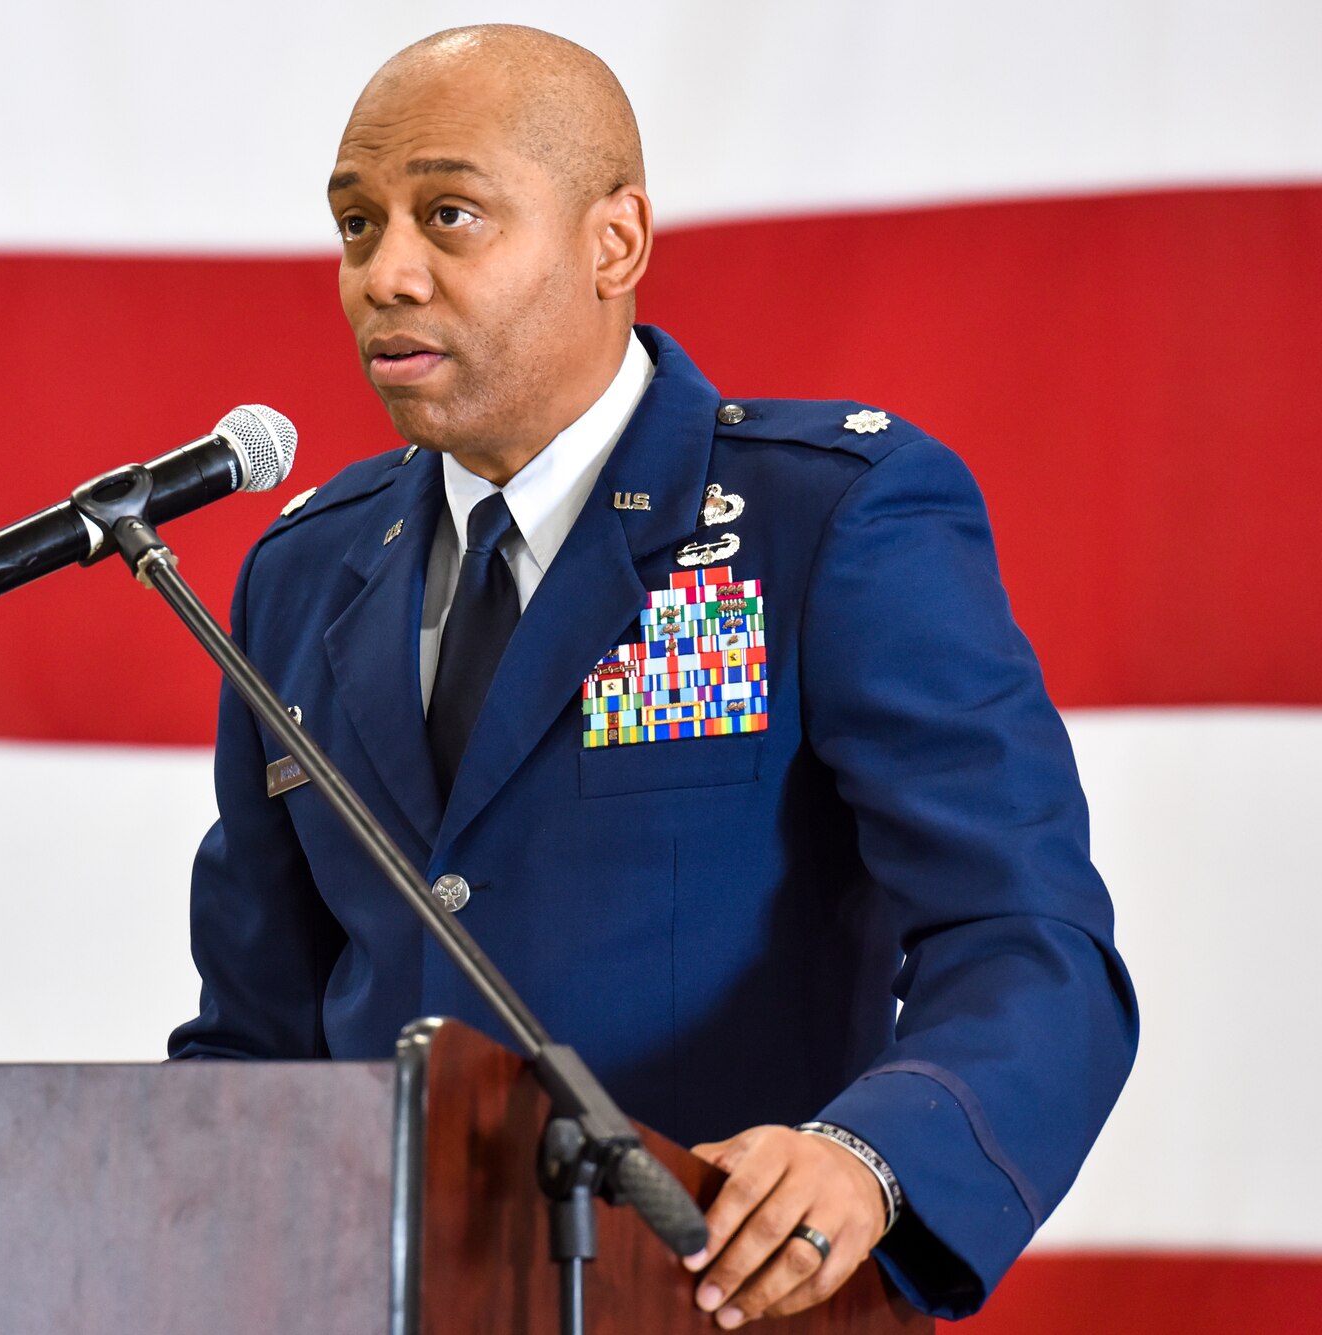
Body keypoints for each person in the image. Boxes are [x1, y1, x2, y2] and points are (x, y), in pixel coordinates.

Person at [168, 24, 1135, 1326]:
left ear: (614, 241)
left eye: (448, 215)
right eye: (356, 224)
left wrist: (870, 1158)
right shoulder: (302, 572)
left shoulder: (829, 517)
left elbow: (1028, 938)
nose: (385, 274)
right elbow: (257, 1033)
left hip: (715, 1296)